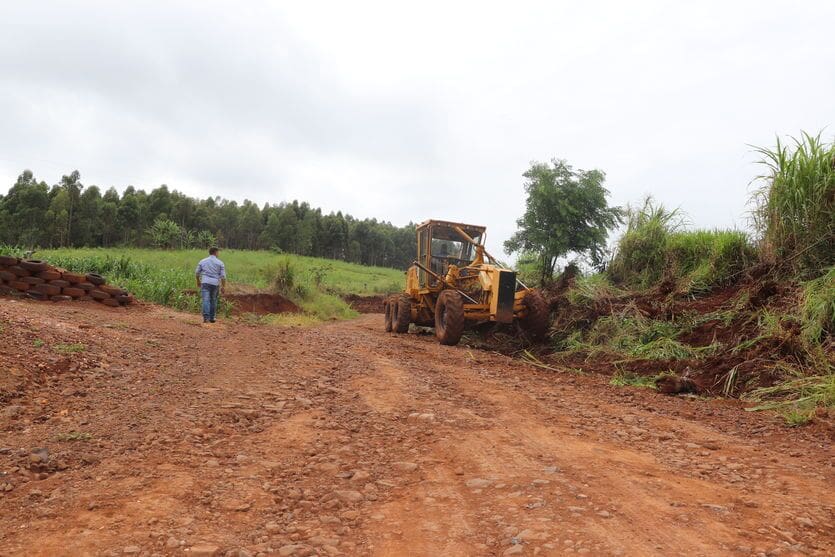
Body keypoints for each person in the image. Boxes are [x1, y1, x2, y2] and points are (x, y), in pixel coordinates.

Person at [195, 247, 226, 323]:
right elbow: (223, 277)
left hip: (205, 282)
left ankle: (206, 318)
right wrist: (223, 286)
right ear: (215, 252)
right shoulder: (220, 263)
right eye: (218, 252)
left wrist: (198, 281)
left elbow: (197, 273)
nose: (218, 254)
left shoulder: (202, 261)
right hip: (215, 283)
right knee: (213, 300)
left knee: (206, 300)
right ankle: (212, 318)